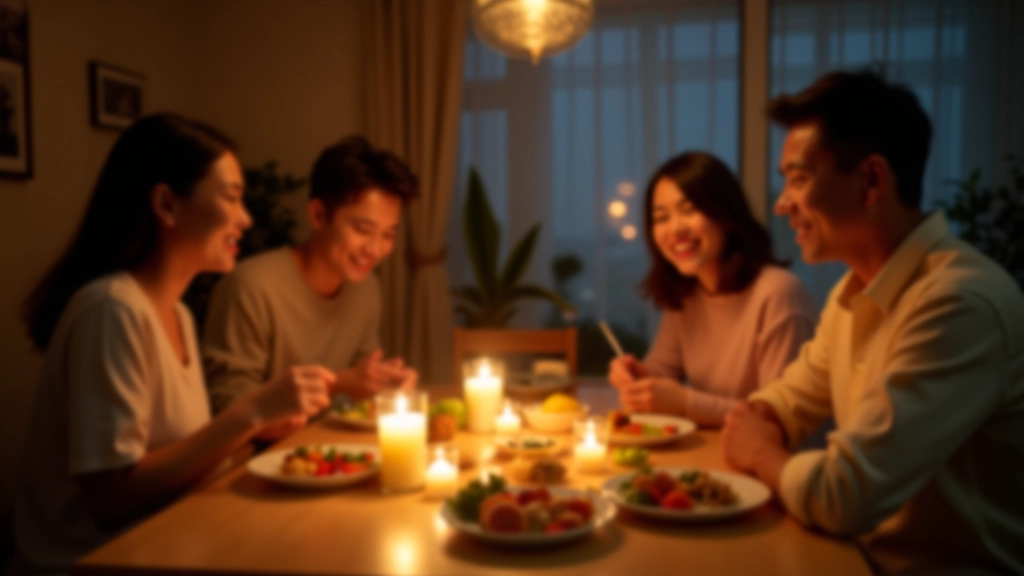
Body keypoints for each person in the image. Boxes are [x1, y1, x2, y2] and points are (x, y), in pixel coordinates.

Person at [722, 70, 1024, 575]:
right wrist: (764, 416)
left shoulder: (958, 304)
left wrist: (760, 453)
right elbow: (793, 397)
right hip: (861, 559)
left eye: (798, 179)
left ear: (871, 181)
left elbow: (846, 496)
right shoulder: (855, 289)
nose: (781, 203)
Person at [10, 114, 337, 575]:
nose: (245, 219)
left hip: (167, 542)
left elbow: (178, 461)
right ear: (166, 204)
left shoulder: (178, 314)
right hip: (92, 563)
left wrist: (258, 430)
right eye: (231, 197)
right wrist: (250, 413)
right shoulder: (112, 310)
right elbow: (111, 499)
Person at [202, 135, 418, 440]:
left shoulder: (367, 289)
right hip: (254, 459)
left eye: (388, 235)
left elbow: (360, 388)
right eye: (362, 229)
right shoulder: (251, 287)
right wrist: (337, 382)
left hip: (325, 449)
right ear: (318, 215)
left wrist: (384, 384)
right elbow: (227, 407)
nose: (375, 249)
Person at [608, 151, 818, 427]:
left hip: (782, 454)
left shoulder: (779, 293)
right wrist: (638, 378)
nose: (675, 229)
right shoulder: (688, 294)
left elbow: (777, 418)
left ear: (725, 213)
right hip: (719, 447)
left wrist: (686, 403)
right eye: (661, 217)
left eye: (689, 210)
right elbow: (663, 371)